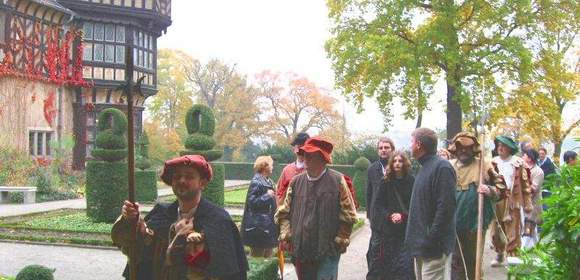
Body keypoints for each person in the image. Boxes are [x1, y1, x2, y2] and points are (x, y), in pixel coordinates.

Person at [112, 155, 248, 280]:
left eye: (189, 176)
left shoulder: (219, 220)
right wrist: (131, 220)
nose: (182, 180)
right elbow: (139, 251)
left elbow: (228, 271)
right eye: (177, 176)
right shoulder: (160, 213)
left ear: (203, 183)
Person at [275, 136, 358, 280]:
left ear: (322, 158)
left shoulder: (337, 181)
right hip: (301, 250)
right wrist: (286, 235)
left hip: (327, 250)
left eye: (310, 155)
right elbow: (283, 213)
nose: (305, 157)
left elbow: (349, 215)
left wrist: (340, 240)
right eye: (304, 154)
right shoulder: (296, 182)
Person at [447, 132, 505, 280]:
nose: (464, 151)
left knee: (472, 261)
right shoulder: (448, 166)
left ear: (474, 149)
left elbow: (502, 188)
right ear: (455, 149)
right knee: (455, 262)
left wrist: (490, 190)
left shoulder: (484, 165)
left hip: (474, 223)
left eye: (467, 148)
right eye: (460, 148)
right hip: (452, 221)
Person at [405, 128, 457, 280]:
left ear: (419, 144)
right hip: (422, 246)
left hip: (434, 247)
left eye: (411, 141)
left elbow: (446, 209)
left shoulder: (443, 168)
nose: (410, 146)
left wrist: (431, 238)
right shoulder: (425, 167)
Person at [490, 136, 532, 266]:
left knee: (513, 230)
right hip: (496, 199)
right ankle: (499, 254)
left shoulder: (518, 163)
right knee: (496, 230)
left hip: (513, 200)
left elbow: (525, 184)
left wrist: (528, 201)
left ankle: (513, 256)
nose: (500, 148)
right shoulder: (492, 163)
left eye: (503, 146)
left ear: (510, 148)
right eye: (499, 145)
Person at [372, 151, 415, 280]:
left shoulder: (412, 181)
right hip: (388, 229)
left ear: (405, 163)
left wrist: (403, 216)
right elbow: (378, 204)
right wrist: (389, 216)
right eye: (395, 161)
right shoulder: (386, 181)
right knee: (387, 262)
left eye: (400, 161)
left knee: (404, 264)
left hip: (405, 229)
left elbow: (414, 205)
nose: (397, 163)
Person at [366, 137, 395, 279]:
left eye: (386, 147)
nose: (383, 150)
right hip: (377, 219)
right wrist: (369, 216)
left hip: (394, 217)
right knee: (375, 251)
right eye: (381, 148)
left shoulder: (398, 166)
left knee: (391, 252)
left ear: (392, 149)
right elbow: (369, 193)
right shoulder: (372, 169)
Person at [240, 156, 278, 258]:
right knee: (257, 257)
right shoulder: (256, 181)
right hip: (258, 227)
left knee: (268, 256)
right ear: (265, 166)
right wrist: (267, 196)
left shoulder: (268, 181)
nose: (272, 167)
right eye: (271, 165)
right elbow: (251, 203)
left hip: (267, 226)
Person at [276, 132, 309, 205]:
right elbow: (279, 192)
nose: (300, 151)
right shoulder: (287, 170)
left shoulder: (313, 170)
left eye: (303, 147)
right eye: (298, 147)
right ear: (294, 149)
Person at [521, 149, 544, 249]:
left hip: (533, 203)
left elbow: (533, 189)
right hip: (523, 203)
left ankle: (523, 250)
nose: (522, 157)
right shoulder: (522, 169)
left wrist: (521, 189)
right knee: (530, 227)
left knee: (528, 226)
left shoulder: (538, 172)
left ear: (529, 158)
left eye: (524, 155)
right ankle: (536, 246)